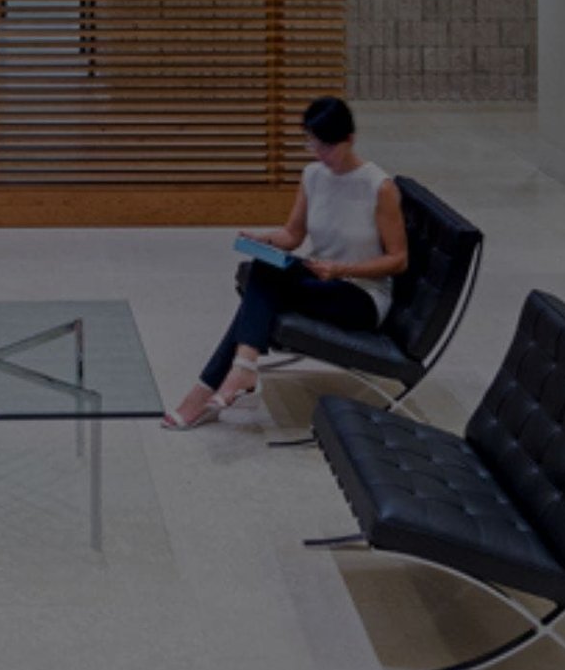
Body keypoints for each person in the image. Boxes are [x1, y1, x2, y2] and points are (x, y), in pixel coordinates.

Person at [162, 96, 407, 429]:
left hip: (360, 295)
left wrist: (341, 269)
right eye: (313, 144)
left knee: (261, 292)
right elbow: (293, 234)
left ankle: (210, 389)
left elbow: (398, 260)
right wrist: (264, 239)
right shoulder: (313, 175)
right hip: (320, 277)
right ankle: (242, 368)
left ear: (349, 139)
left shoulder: (379, 187)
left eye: (327, 147)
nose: (319, 154)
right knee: (265, 266)